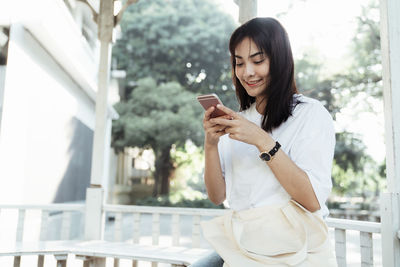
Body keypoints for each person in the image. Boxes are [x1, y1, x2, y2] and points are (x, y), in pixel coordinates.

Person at [190, 17, 337, 267]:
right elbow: (217, 196)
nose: (248, 72)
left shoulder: (310, 114)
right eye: (239, 63)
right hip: (244, 246)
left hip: (295, 250)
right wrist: (211, 144)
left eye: (258, 61)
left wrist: (261, 140)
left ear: (279, 60)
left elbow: (312, 200)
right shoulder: (238, 120)